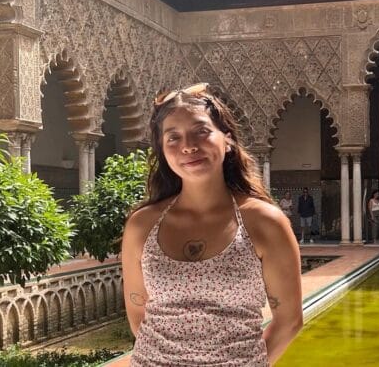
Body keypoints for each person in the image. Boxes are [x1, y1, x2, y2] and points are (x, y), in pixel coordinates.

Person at [121, 84, 303, 366]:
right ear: (163, 151)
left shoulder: (265, 222)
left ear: (227, 140)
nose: (188, 146)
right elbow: (138, 320)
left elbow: (289, 321)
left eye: (201, 131)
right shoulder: (142, 225)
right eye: (173, 138)